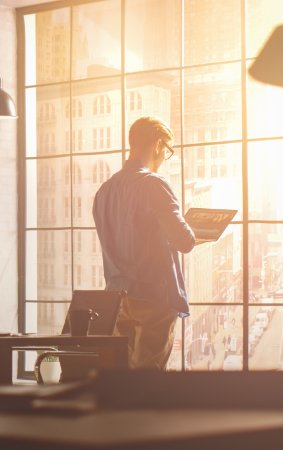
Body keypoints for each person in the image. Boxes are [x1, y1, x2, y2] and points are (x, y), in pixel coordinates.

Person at [92, 116, 195, 370]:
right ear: (159, 145)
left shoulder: (105, 191)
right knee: (148, 374)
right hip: (153, 296)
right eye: (167, 150)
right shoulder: (154, 185)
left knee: (119, 372)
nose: (164, 157)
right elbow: (185, 241)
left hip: (117, 298)